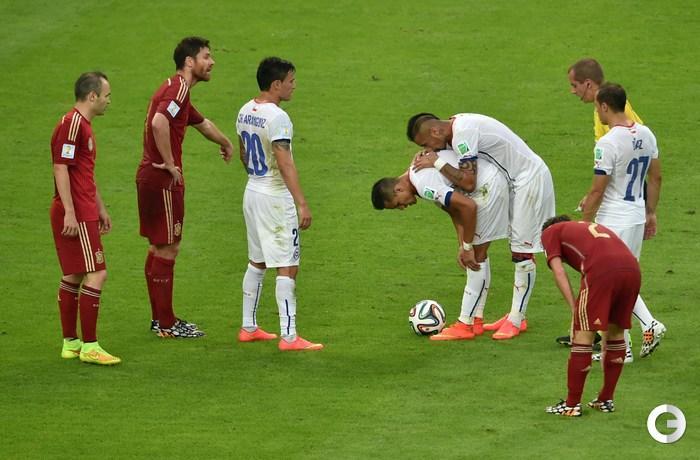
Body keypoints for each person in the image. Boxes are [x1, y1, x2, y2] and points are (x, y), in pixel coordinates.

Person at [408, 113, 556, 340]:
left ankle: (516, 319)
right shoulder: (456, 126)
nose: (429, 150)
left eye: (426, 144)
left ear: (436, 131)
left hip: (529, 180)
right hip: (513, 181)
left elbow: (469, 182)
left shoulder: (463, 134)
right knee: (510, 248)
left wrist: (436, 162)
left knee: (522, 251)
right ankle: (507, 316)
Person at [559, 59, 664, 354]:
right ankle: (624, 347)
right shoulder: (647, 134)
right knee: (623, 280)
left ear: (604, 106)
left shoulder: (608, 142)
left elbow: (598, 187)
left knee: (607, 281)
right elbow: (656, 177)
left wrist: (585, 223)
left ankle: (644, 328)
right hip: (635, 214)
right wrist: (650, 212)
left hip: (613, 218)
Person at [137, 36, 233, 338]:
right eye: (206, 56)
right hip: (162, 180)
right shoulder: (178, 88)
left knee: (159, 247)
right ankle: (167, 324)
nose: (212, 62)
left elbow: (202, 123)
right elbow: (159, 123)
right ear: (189, 62)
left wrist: (226, 142)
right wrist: (168, 163)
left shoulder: (177, 91)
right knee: (169, 247)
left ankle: (160, 320)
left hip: (150, 178)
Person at [372, 149, 511, 340]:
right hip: (490, 182)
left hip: (489, 187)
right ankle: (476, 321)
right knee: (476, 254)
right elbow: (454, 210)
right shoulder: (416, 177)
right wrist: (462, 245)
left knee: (476, 255)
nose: (402, 208)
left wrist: (468, 247)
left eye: (398, 204)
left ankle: (465, 324)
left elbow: (468, 206)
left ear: (398, 190)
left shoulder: (423, 184)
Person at [235, 57, 323, 351]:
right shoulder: (278, 118)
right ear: (276, 84)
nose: (294, 86)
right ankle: (289, 336)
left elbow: (244, 153)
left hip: (252, 190)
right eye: (290, 81)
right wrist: (302, 203)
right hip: (274, 197)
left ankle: (248, 327)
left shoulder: (245, 110)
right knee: (287, 265)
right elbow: (284, 162)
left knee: (257, 261)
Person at [50, 71, 120, 365]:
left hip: (83, 209)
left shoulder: (82, 125)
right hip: (76, 213)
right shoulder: (72, 124)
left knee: (75, 273)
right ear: (92, 96)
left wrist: (100, 207)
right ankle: (90, 346)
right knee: (97, 273)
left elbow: (84, 174)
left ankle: (71, 342)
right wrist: (70, 211)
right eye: (106, 96)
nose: (108, 101)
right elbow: (61, 167)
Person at [541, 215, 640, 417]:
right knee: (615, 333)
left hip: (602, 271)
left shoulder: (550, 232)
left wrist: (574, 310)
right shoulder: (588, 228)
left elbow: (558, 271)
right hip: (632, 270)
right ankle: (605, 400)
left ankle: (571, 405)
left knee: (583, 335)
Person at [567, 58, 643, 142]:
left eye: (575, 86)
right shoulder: (599, 108)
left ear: (588, 84)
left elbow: (637, 140)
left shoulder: (614, 106)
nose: (573, 91)